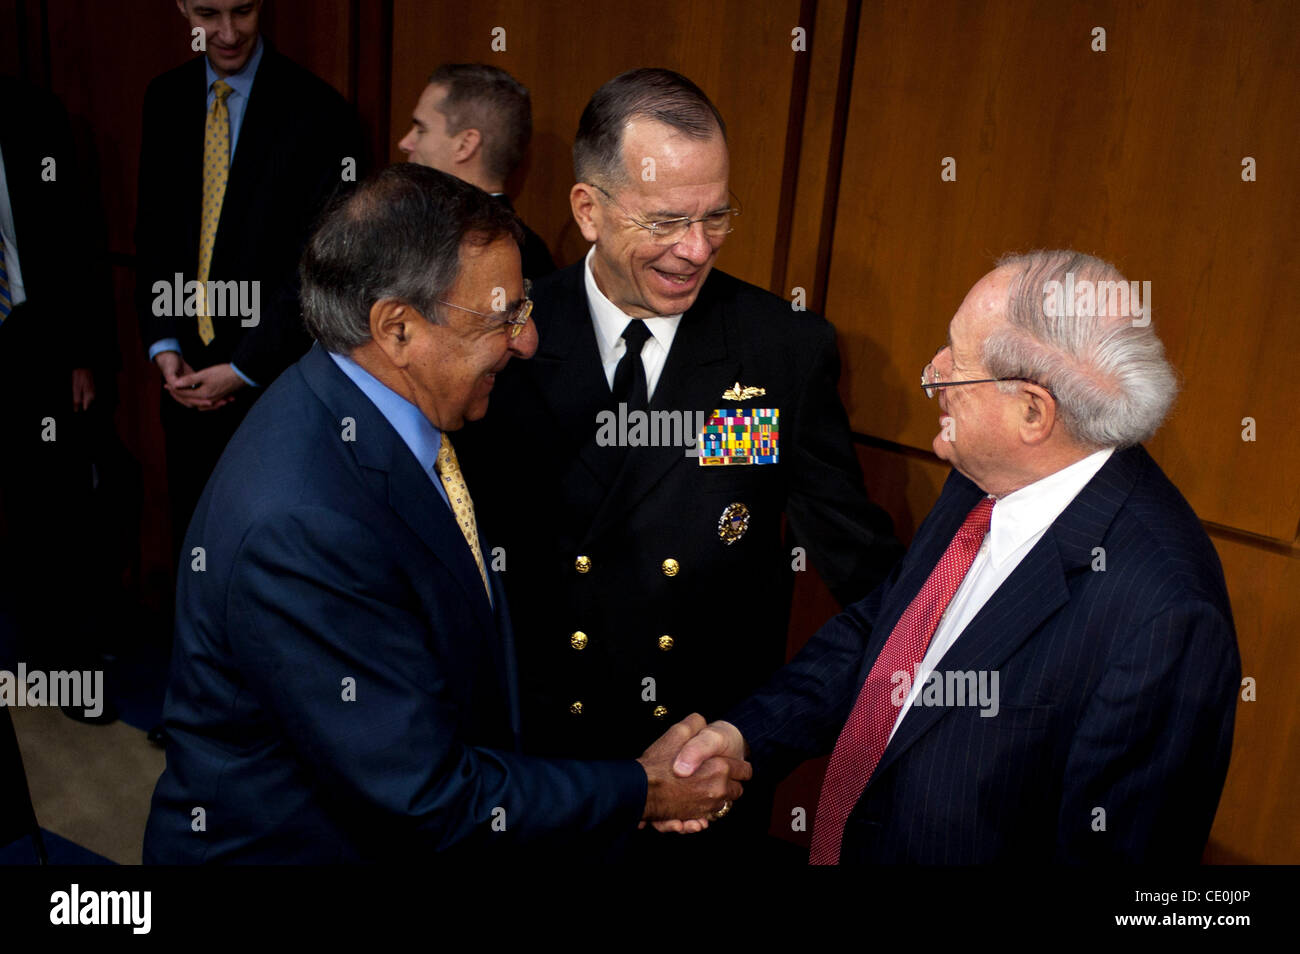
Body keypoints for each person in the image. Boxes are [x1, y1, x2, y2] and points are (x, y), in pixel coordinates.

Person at [142, 164, 749, 863]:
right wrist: (643, 791)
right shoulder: (305, 523)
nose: (526, 342)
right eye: (503, 318)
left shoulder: (381, 412)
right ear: (398, 329)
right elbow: (422, 797)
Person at [455, 68, 902, 857]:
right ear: (588, 209)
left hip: (702, 784)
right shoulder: (508, 339)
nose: (696, 251)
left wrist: (755, 738)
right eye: (665, 221)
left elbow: (873, 581)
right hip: (535, 774)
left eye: (716, 217)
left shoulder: (780, 354)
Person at [668, 250, 1241, 864]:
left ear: (1032, 412)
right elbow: (885, 633)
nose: (932, 373)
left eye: (956, 365)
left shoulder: (1167, 615)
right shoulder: (984, 476)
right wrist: (744, 737)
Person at [135, 0, 363, 566]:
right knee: (194, 552)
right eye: (208, 14)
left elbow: (323, 265)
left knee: (266, 562)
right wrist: (164, 344)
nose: (228, 33)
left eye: (243, 11)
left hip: (277, 382)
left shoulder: (320, 111)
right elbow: (156, 235)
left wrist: (242, 369)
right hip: (183, 380)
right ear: (182, 8)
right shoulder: (164, 99)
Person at [0, 76, 119, 723]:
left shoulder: (31, 112)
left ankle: (64, 670)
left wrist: (83, 354)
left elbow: (76, 237)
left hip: (33, 343)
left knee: (55, 506)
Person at [398, 63, 555, 280]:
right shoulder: (530, 250)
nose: (405, 143)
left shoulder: (434, 247)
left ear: (465, 145)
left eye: (421, 129)